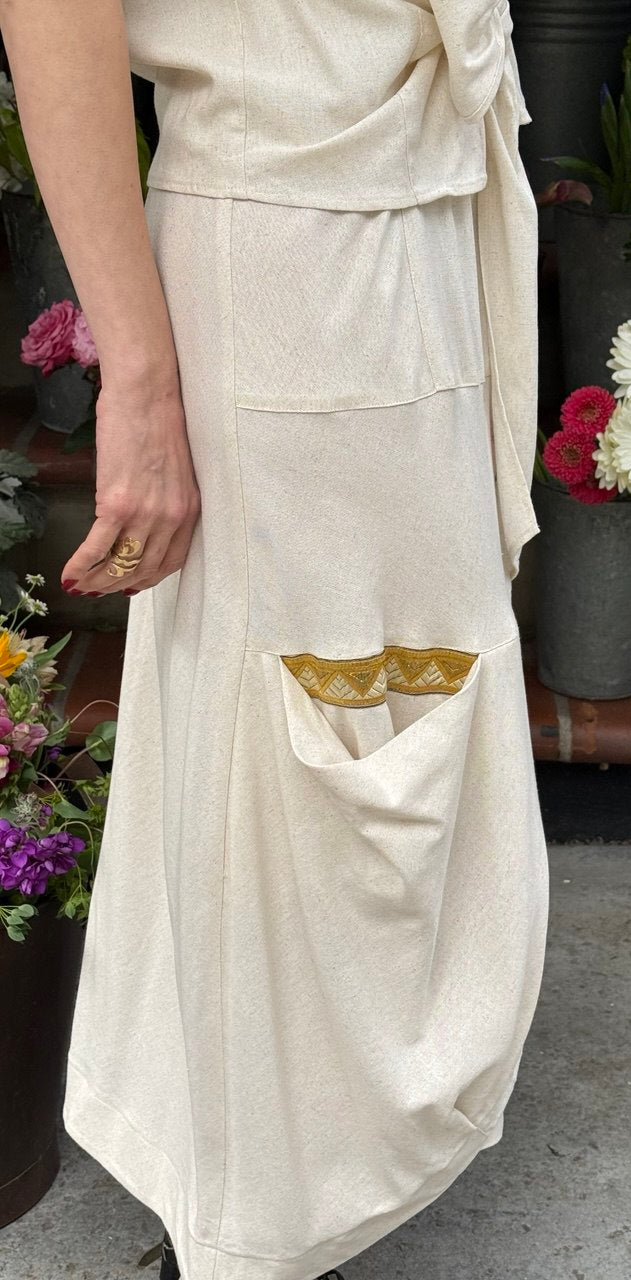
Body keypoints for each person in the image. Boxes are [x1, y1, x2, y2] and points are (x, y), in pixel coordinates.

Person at [0, 2, 550, 1278]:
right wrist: (141, 384)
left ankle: (279, 1196)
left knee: (385, 736)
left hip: (424, 238)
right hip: (289, 256)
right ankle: (251, 1226)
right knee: (288, 772)